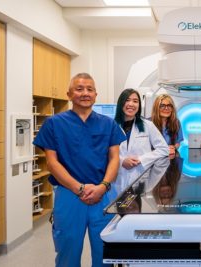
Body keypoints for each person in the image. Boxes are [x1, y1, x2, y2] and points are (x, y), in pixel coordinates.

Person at [33, 73, 126, 267]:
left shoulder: (108, 124)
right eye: (79, 88)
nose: (85, 93)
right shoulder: (54, 124)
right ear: (69, 94)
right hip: (69, 196)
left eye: (89, 89)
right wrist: (79, 188)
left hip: (103, 196)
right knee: (67, 251)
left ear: (95, 95)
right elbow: (52, 163)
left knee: (105, 252)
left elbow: (114, 158)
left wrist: (103, 186)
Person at [113, 88, 169, 196]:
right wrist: (122, 161)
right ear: (121, 103)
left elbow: (164, 149)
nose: (131, 104)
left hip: (141, 177)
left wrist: (141, 159)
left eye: (135, 101)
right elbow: (105, 153)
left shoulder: (148, 125)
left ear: (139, 105)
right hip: (117, 179)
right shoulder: (111, 126)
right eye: (127, 100)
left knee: (135, 208)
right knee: (119, 209)